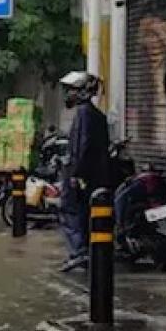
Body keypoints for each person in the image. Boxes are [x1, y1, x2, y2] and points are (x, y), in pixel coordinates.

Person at [58, 71, 111, 272]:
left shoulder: (84, 114)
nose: (68, 94)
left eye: (72, 90)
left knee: (71, 210)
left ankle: (79, 252)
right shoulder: (96, 115)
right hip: (94, 176)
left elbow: (83, 146)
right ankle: (84, 252)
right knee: (83, 212)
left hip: (81, 175)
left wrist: (76, 174)